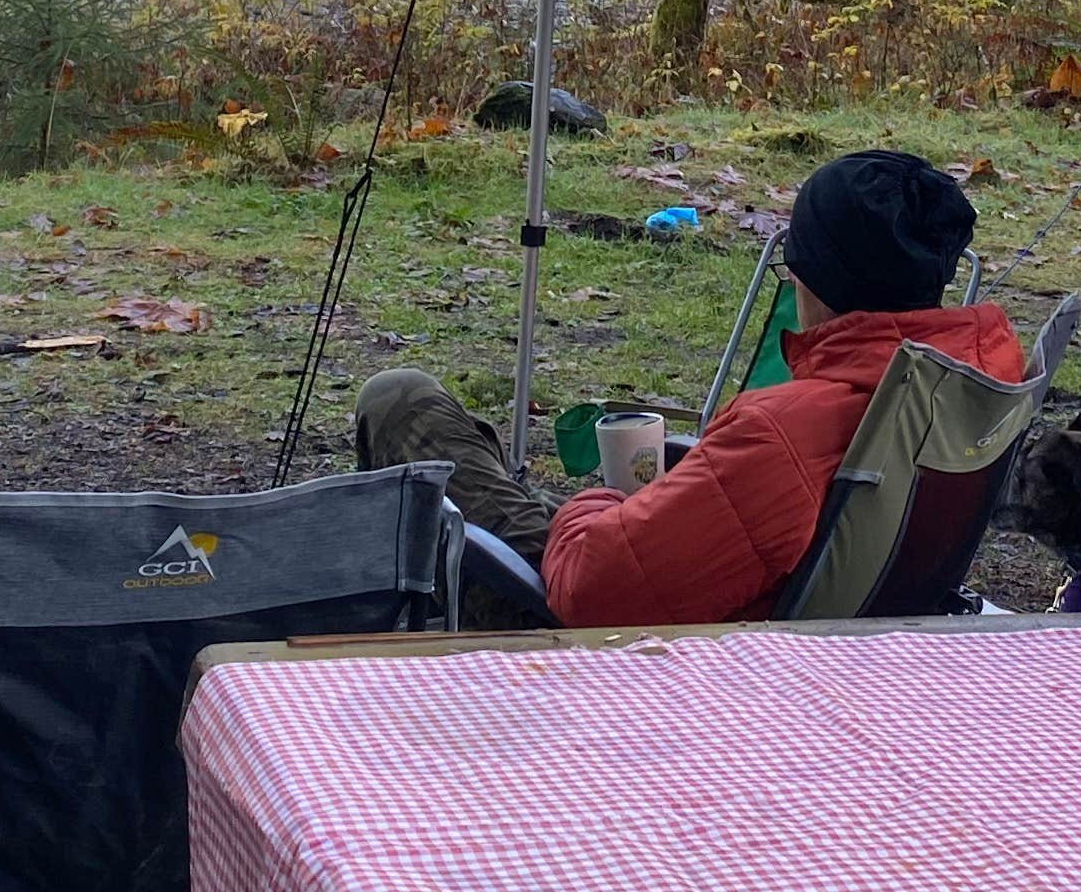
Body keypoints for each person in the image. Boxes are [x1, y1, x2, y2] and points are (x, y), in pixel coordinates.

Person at [352, 147, 1026, 629]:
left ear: (812, 275)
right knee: (487, 472)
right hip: (785, 622)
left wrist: (598, 502)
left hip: (636, 654)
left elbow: (593, 592)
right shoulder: (975, 374)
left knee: (399, 400)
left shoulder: (783, 431)